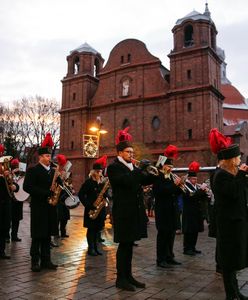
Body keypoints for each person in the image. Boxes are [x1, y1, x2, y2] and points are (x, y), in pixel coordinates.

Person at [107, 127, 156, 291]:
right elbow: (125, 182)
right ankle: (121, 279)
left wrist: (156, 172)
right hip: (123, 212)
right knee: (124, 246)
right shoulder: (114, 167)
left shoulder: (133, 168)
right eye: (128, 152)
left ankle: (128, 276)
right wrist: (139, 170)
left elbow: (143, 180)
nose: (132, 155)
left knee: (129, 246)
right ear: (120, 153)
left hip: (134, 212)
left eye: (132, 152)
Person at [209, 128, 248, 300]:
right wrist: (241, 174)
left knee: (233, 261)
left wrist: (242, 176)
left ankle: (235, 292)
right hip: (228, 225)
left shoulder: (231, 174)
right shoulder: (220, 176)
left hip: (236, 223)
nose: (240, 160)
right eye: (238, 158)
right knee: (229, 262)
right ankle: (230, 295)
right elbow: (232, 192)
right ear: (231, 160)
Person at [23, 133, 58, 272]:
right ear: (40, 157)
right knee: (38, 235)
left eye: (50, 156)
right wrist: (45, 193)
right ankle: (34, 261)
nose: (49, 159)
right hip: (38, 206)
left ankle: (46, 260)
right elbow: (27, 187)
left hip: (50, 206)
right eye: (46, 156)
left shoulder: (53, 171)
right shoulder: (33, 170)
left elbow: (57, 186)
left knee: (47, 234)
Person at [153, 145, 182, 268]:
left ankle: (169, 256)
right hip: (163, 211)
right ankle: (161, 259)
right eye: (168, 166)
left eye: (171, 167)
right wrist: (175, 186)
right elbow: (161, 191)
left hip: (172, 210)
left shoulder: (170, 177)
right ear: (163, 166)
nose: (170, 169)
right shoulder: (158, 177)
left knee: (171, 235)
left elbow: (174, 192)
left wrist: (180, 186)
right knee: (163, 235)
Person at [78, 155, 108, 256]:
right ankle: (90, 248)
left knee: (97, 230)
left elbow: (104, 194)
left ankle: (95, 247)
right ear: (94, 172)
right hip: (91, 209)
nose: (100, 173)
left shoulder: (101, 183)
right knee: (91, 229)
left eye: (101, 171)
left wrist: (105, 196)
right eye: (98, 171)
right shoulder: (89, 182)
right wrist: (88, 205)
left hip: (100, 210)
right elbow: (81, 194)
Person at [182, 161, 209, 256]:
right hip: (189, 212)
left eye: (196, 179)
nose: (195, 180)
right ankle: (187, 248)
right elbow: (191, 196)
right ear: (189, 179)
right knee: (189, 231)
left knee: (195, 231)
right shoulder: (186, 186)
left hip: (196, 212)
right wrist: (201, 190)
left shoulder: (195, 186)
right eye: (193, 179)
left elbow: (200, 197)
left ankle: (193, 247)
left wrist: (205, 192)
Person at [0, 148, 19, 259]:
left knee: (4, 228)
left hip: (6, 206)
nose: (2, 166)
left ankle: (1, 251)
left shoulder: (7, 175)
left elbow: (16, 186)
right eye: (1, 164)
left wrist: (14, 186)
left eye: (3, 164)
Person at [9, 158, 23, 242]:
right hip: (11, 200)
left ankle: (14, 235)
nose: (17, 167)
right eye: (15, 166)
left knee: (16, 219)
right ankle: (7, 236)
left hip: (19, 200)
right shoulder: (10, 174)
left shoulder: (21, 175)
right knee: (9, 219)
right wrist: (12, 173)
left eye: (17, 166)